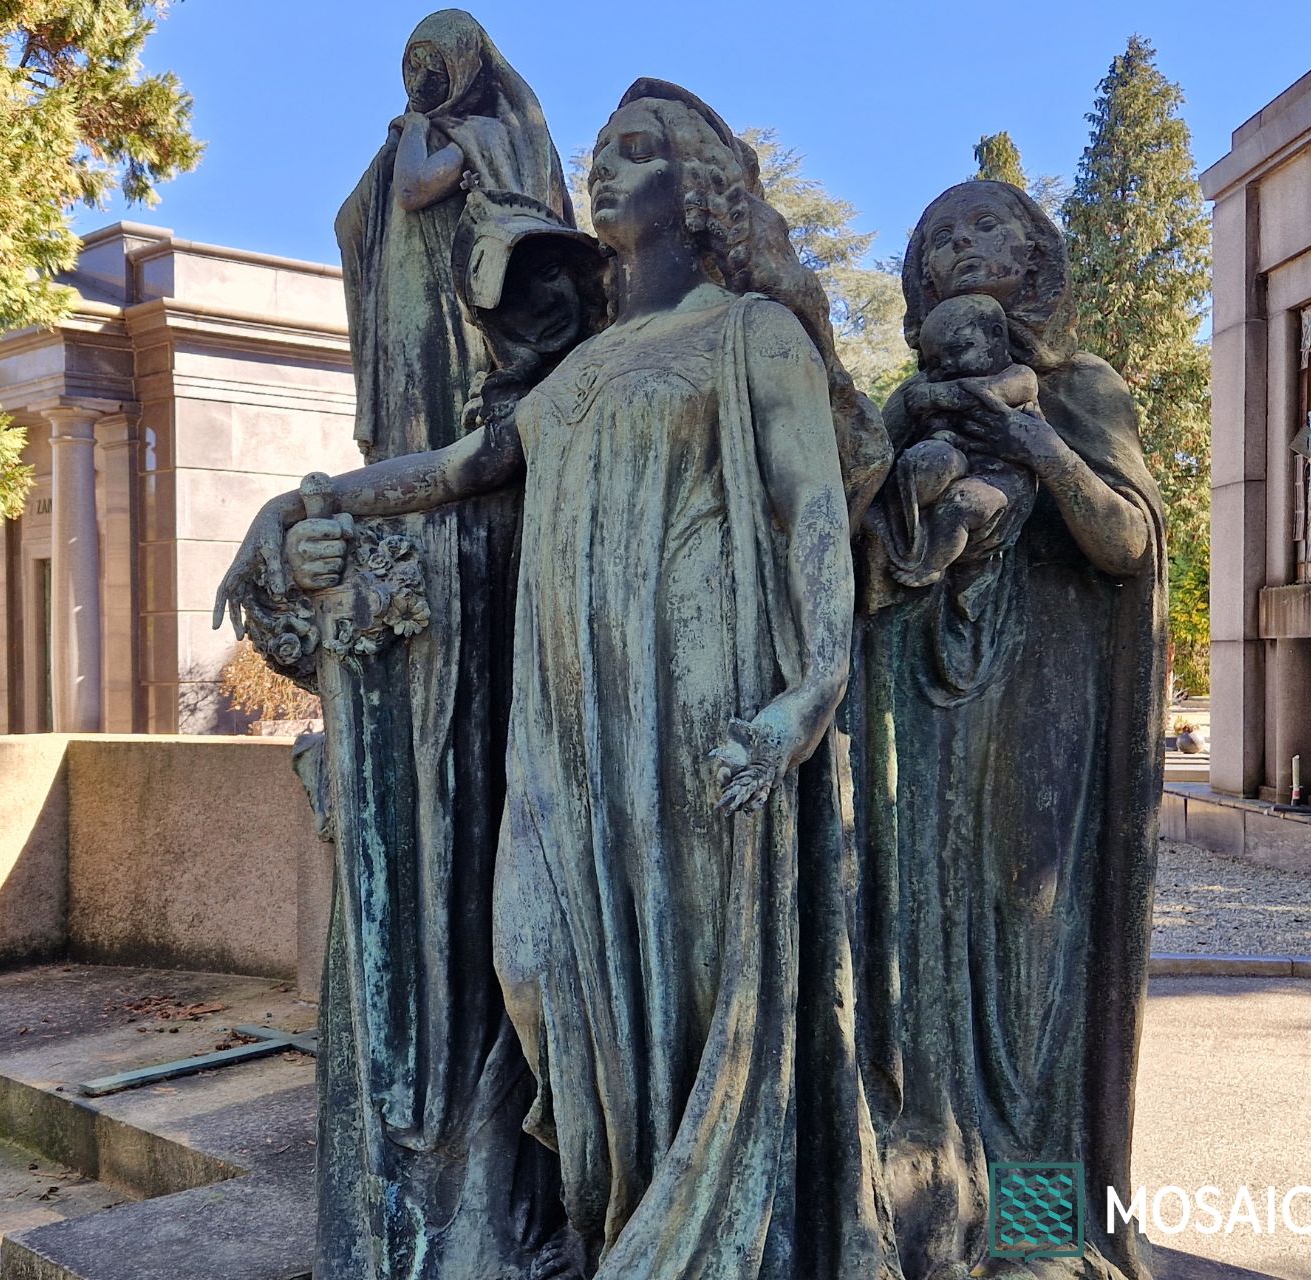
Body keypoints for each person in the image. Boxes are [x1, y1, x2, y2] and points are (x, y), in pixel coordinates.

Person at [223, 79, 898, 1280]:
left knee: (691, 996)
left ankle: (668, 1229)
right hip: (568, 712)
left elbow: (808, 518)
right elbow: (458, 466)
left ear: (697, 187)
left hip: (699, 707)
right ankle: (606, 1212)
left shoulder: (754, 335)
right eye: (603, 150)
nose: (607, 167)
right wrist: (315, 497)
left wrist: (810, 692)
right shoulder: (577, 374)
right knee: (533, 960)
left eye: (638, 151)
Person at [853, 181, 1165, 1280]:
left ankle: (1040, 1221)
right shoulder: (908, 403)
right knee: (919, 948)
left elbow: (1128, 539)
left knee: (1033, 952)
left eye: (990, 229)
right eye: (942, 233)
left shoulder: (1080, 388)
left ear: (1037, 263)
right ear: (920, 275)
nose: (964, 246)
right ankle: (938, 1212)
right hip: (929, 707)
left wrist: (1035, 443)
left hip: (1046, 703)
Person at [336, 8, 570, 463]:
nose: (421, 79)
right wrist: (397, 147)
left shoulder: (479, 134)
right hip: (402, 304)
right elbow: (349, 220)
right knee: (409, 408)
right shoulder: (404, 143)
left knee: (443, 408)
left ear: (465, 67)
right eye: (413, 65)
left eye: (434, 65)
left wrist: (417, 129)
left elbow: (413, 189)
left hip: (455, 305)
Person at [885, 292, 1040, 589]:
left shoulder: (1020, 376)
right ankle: (910, 528)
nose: (950, 365)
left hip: (1002, 479)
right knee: (931, 460)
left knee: (964, 503)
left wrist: (935, 396)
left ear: (996, 335)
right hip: (960, 459)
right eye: (936, 362)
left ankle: (930, 565)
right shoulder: (938, 383)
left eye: (960, 349)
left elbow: (988, 394)